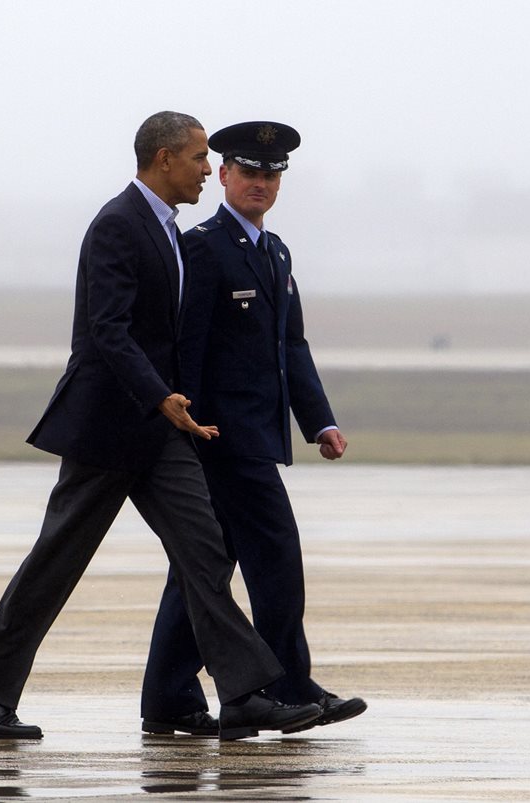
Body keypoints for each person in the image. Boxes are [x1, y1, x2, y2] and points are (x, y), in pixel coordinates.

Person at [0, 112, 322, 741]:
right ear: (165, 157)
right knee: (55, 564)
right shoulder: (118, 224)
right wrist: (161, 398)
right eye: (201, 158)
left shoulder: (167, 229)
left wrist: (179, 409)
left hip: (160, 433)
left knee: (204, 554)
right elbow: (107, 330)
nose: (210, 169)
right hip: (107, 428)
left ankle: (244, 695)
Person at [141, 121, 367, 734]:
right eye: (249, 172)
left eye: (271, 175)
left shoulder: (274, 253)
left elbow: (290, 346)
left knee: (203, 570)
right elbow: (187, 348)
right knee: (276, 561)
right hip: (219, 441)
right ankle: (289, 683)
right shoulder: (204, 249)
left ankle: (168, 697)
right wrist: (187, 422)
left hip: (259, 438)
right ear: (223, 175)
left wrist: (318, 421)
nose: (260, 183)